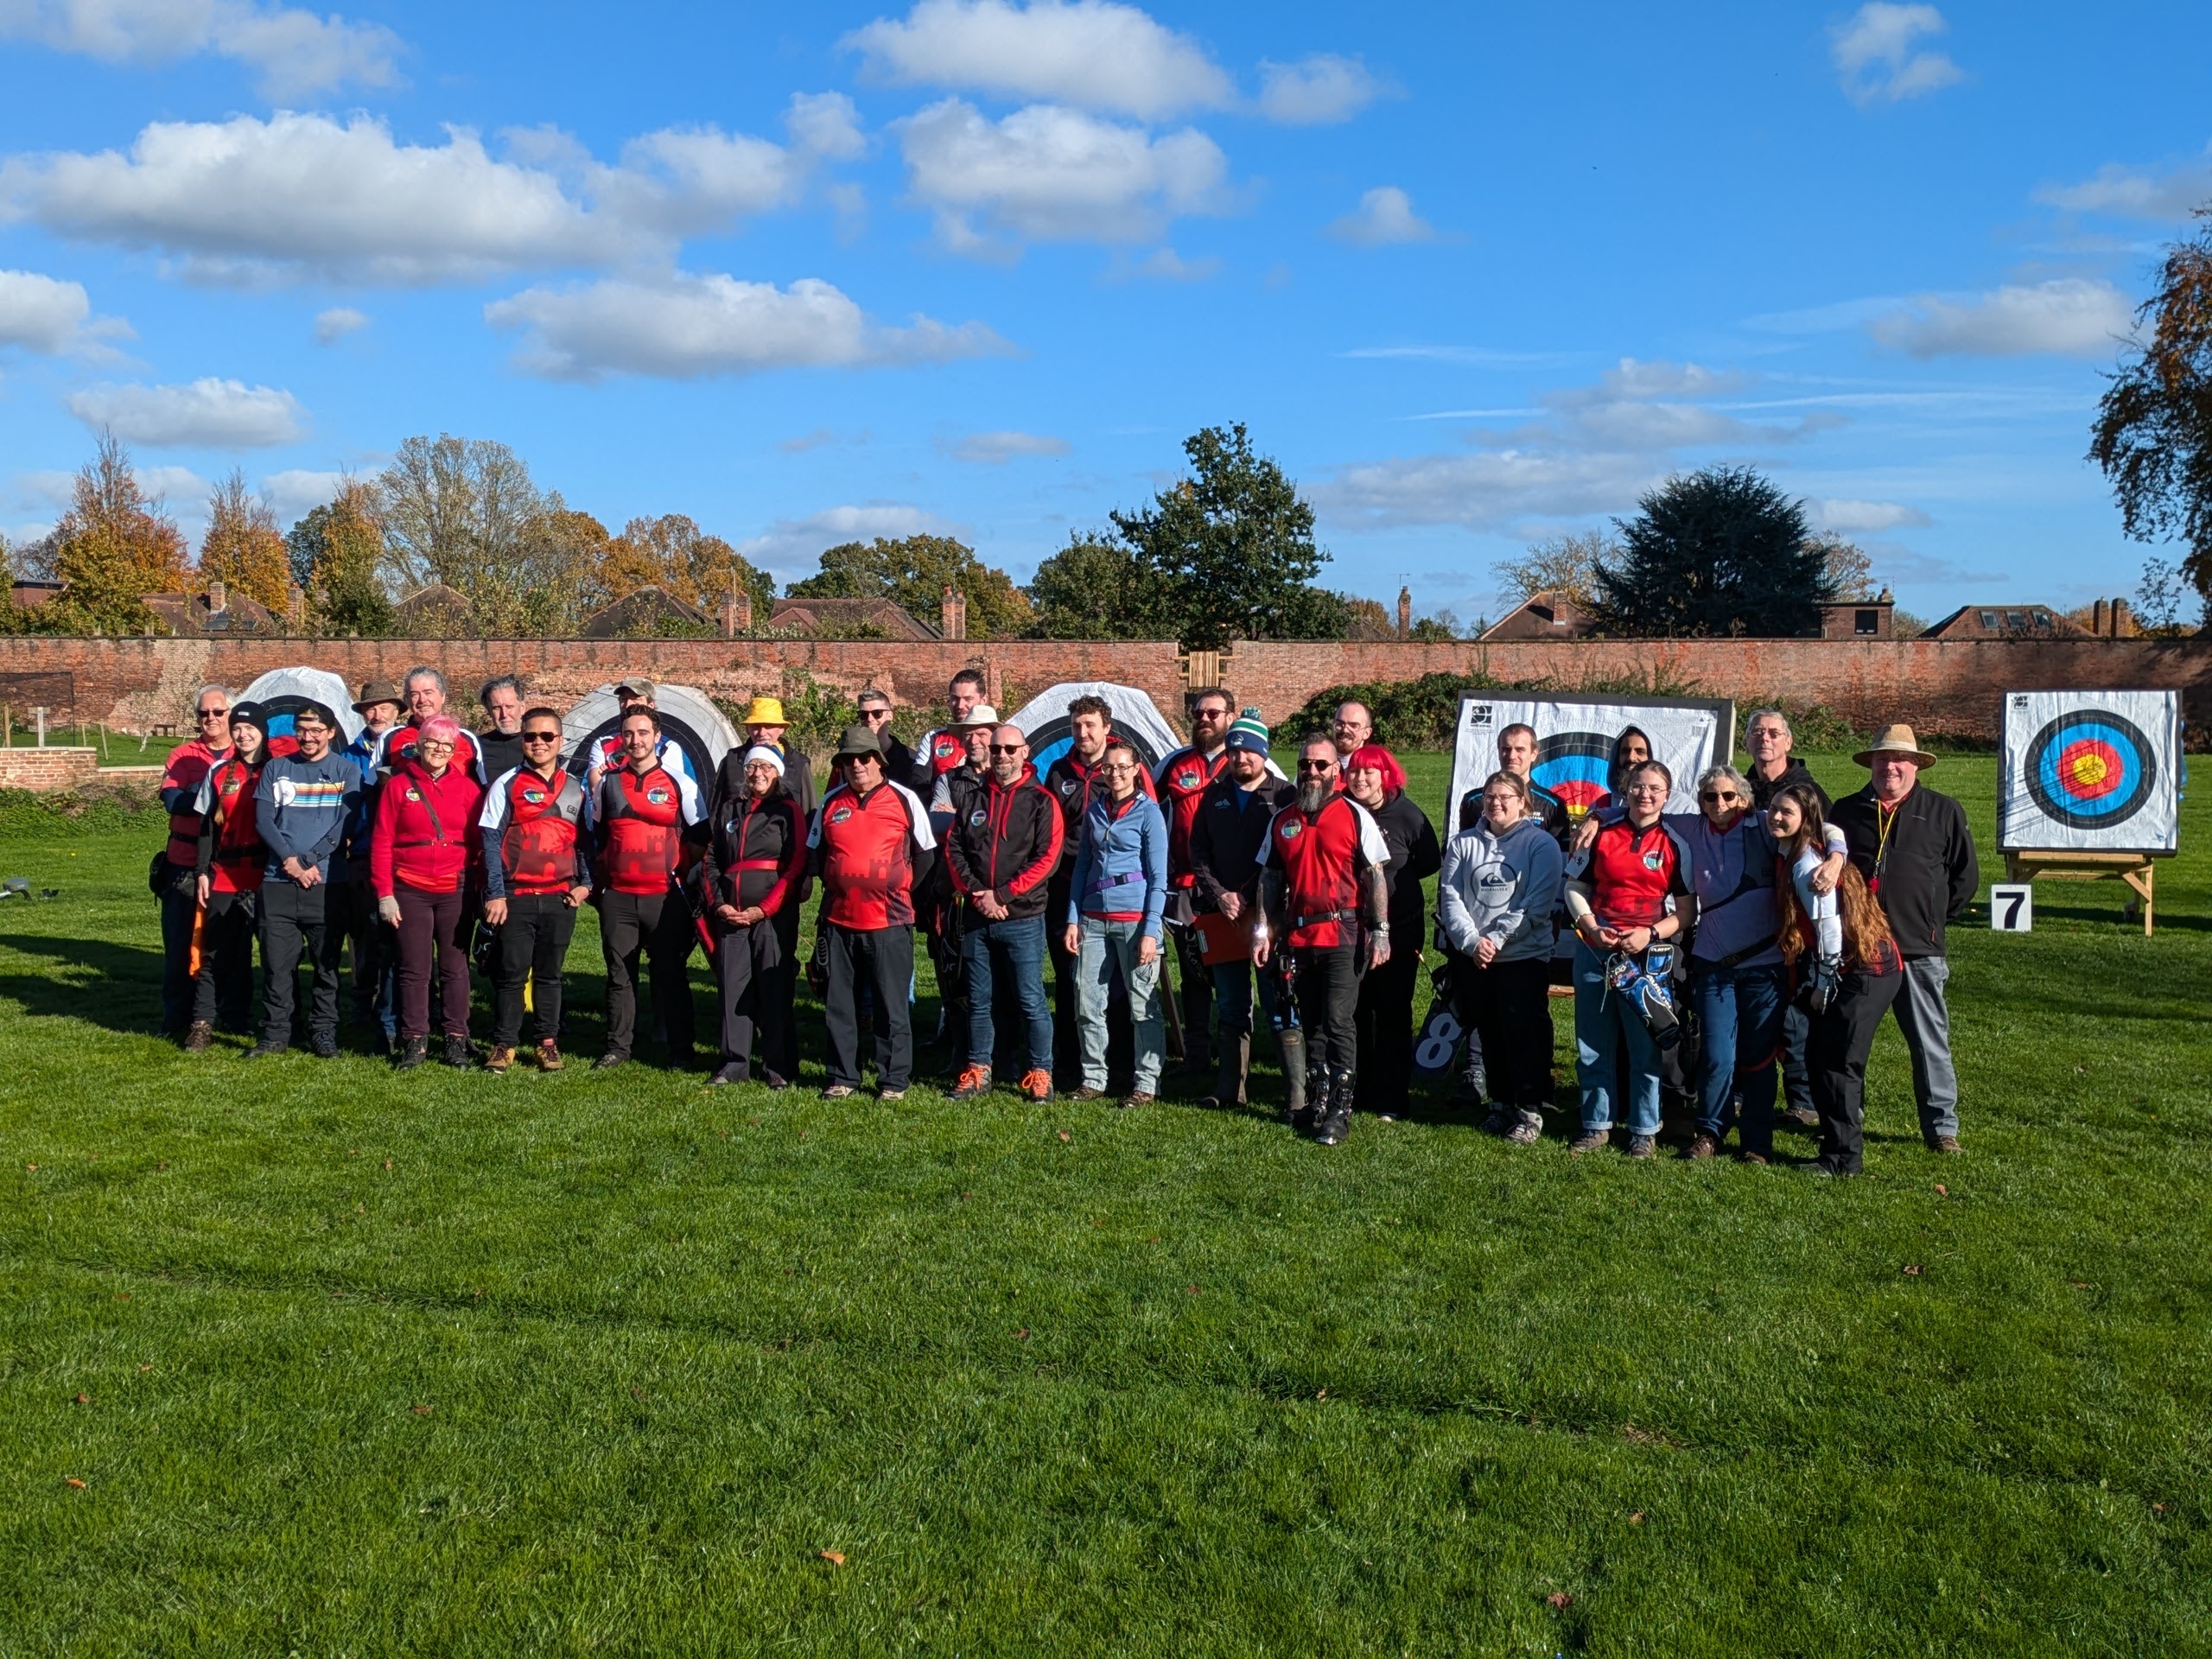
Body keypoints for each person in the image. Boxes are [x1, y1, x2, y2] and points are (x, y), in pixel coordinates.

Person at [1828, 725, 1978, 1154]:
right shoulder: (1846, 811)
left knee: (1929, 1042)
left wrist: (1931, 921)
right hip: (1860, 950)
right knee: (1849, 1042)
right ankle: (1845, 1121)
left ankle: (1941, 1128)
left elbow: (1965, 878)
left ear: (1916, 765)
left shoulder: (1943, 810)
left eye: (1899, 759)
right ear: (1871, 764)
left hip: (1917, 950)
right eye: (1882, 759)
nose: (1890, 767)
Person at [1255, 736, 1392, 1146]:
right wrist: (1263, 932)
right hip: (1299, 936)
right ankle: (1316, 1100)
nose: (1311, 772)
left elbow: (1375, 875)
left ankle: (1339, 1110)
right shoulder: (1283, 819)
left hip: (1343, 933)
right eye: (1305, 765)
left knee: (1338, 1020)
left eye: (1320, 765)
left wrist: (1381, 932)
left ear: (1336, 770)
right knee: (1311, 1021)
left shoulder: (1354, 815)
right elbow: (1269, 878)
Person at [1771, 785, 1905, 1177]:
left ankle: (1844, 1158)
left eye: (1786, 812)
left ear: (1805, 819)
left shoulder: (1806, 865)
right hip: (1851, 967)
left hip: (1866, 969)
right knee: (1821, 1056)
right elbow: (1831, 829)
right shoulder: (1802, 847)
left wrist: (1823, 985)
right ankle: (1836, 1148)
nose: (1776, 816)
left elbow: (1829, 930)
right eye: (1773, 808)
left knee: (1837, 1061)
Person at [1563, 760, 1692, 1158]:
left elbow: (1686, 912)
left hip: (1646, 957)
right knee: (1593, 1043)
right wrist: (1590, 926)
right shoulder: (1601, 832)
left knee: (1645, 1047)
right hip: (1595, 949)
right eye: (1638, 786)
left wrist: (1648, 935)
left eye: (1654, 788)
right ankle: (1595, 1125)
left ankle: (1644, 1130)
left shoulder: (1675, 842)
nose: (1645, 795)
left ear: (1667, 795)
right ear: (1626, 789)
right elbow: (1574, 886)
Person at [1437, 772, 1564, 1144]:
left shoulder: (1541, 844)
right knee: (1489, 1032)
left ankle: (1529, 1110)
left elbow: (1536, 905)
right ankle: (1500, 1104)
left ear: (1523, 802)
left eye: (1505, 796)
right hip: (1476, 957)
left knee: (1521, 1034)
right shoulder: (1463, 844)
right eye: (1491, 796)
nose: (1496, 803)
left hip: (1523, 957)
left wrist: (1495, 939)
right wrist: (1471, 942)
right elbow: (1450, 898)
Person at [810, 723, 936, 1100]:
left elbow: (926, 855)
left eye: (864, 758)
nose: (857, 766)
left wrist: (898, 887)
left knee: (891, 1005)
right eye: (849, 760)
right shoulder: (830, 802)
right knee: (839, 1004)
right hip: (839, 920)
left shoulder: (904, 798)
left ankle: (893, 1081)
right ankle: (842, 1077)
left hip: (889, 921)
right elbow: (816, 854)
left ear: (879, 761)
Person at [943, 723, 1062, 1104]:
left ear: (1025, 752)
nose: (1002, 756)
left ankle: (1040, 1072)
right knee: (979, 999)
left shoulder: (1042, 801)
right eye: (996, 749)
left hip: (1022, 916)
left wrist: (1004, 895)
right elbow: (953, 849)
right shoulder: (973, 799)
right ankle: (979, 1070)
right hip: (978, 915)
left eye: (1010, 749)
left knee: (1030, 999)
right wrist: (977, 893)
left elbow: (1047, 859)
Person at [1187, 713, 1296, 1113]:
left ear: (1263, 753)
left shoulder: (1285, 796)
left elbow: (1288, 855)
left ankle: (1295, 1095)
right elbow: (1198, 851)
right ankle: (1230, 1089)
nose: (1240, 757)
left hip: (1270, 916)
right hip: (1225, 916)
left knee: (1278, 1000)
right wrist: (1220, 895)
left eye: (1248, 750)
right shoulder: (1213, 795)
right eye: (1233, 750)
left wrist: (1249, 895)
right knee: (1232, 1004)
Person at [1045, 693, 1157, 1080]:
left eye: (1090, 725)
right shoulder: (1059, 770)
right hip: (1070, 886)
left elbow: (1148, 831)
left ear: (1107, 728)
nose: (1082, 732)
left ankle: (1123, 1064)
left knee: (1124, 985)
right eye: (1076, 725)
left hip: (1121, 895)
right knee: (1072, 980)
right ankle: (1073, 1062)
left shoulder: (1125, 770)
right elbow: (1049, 826)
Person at [478, 705, 591, 1073]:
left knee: (550, 975)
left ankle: (547, 1043)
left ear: (560, 740)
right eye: (530, 736)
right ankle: (504, 1044)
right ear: (522, 741)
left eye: (547, 736)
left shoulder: (576, 787)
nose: (538, 742)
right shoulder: (506, 783)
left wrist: (586, 884)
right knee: (511, 974)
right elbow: (490, 841)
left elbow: (585, 842)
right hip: (516, 896)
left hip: (560, 897)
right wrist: (496, 893)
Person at [592, 705, 704, 1071]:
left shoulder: (679, 782)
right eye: (628, 733)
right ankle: (617, 1048)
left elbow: (701, 838)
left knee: (670, 972)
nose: (635, 740)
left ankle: (681, 1050)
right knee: (619, 973)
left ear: (657, 737)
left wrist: (685, 878)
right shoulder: (607, 782)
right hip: (619, 896)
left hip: (665, 896)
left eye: (643, 733)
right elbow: (596, 836)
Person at [247, 701, 361, 1060]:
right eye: (301, 730)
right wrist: (291, 862)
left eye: (315, 731)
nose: (307, 738)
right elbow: (264, 821)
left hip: (328, 883)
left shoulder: (346, 771)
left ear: (331, 732)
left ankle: (323, 1031)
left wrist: (309, 860)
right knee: (277, 966)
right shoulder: (277, 768)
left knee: (326, 966)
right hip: (278, 882)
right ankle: (276, 1033)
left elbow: (344, 825)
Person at [370, 713, 483, 1070]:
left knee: (455, 968)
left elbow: (479, 843)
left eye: (446, 745)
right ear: (419, 745)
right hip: (410, 887)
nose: (438, 750)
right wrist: (385, 894)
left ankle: (455, 1037)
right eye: (432, 742)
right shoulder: (397, 786)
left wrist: (478, 889)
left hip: (454, 888)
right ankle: (415, 1039)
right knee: (414, 968)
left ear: (455, 750)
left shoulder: (468, 789)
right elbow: (382, 842)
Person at [1065, 736, 1170, 1107]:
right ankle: (1093, 1078)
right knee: (1087, 1003)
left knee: (1143, 1005)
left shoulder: (1149, 813)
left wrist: (1151, 929)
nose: (1115, 774)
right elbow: (1082, 866)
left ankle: (1147, 1083)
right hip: (1093, 920)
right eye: (1108, 767)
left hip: (1135, 920)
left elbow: (1159, 877)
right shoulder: (1095, 810)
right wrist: (1073, 918)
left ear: (1136, 770)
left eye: (1122, 767)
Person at [1743, 708, 1831, 1130]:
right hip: (1751, 920)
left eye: (1774, 733)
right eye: (1757, 732)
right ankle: (1743, 1093)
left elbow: (1832, 833)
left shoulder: (1807, 789)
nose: (1765, 739)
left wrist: (1837, 858)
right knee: (1754, 1012)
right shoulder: (1739, 790)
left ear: (1789, 742)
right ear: (1746, 741)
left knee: (1797, 1017)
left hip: (1799, 923)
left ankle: (1803, 1101)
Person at [700, 744, 806, 1089]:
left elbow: (797, 864)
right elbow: (711, 860)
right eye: (751, 767)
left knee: (774, 987)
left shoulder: (788, 810)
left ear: (777, 773)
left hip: (772, 916)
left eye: (765, 767)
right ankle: (733, 1064)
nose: (757, 773)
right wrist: (719, 904)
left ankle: (779, 1066)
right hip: (731, 913)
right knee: (732, 986)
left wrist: (766, 908)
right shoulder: (729, 809)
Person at [1344, 743, 1439, 1122]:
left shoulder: (1408, 815)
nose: (1360, 778)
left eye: (1369, 771)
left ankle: (1392, 1097)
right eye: (1354, 771)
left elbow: (1429, 862)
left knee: (1393, 1011)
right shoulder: (1342, 810)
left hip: (1400, 929)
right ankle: (1358, 1088)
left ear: (1386, 775)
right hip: (1351, 929)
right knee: (1355, 1010)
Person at [1155, 687, 1236, 1079]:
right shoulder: (1173, 763)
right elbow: (1144, 809)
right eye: (1198, 713)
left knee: (1232, 973)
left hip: (1232, 890)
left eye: (1213, 713)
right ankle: (1197, 1055)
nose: (1204, 719)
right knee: (1194, 972)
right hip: (1186, 886)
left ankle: (1235, 1058)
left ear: (1230, 718)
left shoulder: (1248, 759)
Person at [183, 702, 270, 1051]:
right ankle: (203, 1022)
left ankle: (275, 1022)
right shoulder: (220, 771)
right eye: (237, 729)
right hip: (224, 873)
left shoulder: (277, 769)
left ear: (263, 731)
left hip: (265, 873)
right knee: (217, 951)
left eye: (250, 728)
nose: (243, 734)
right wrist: (202, 871)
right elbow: (207, 828)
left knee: (274, 953)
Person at [158, 683, 238, 1039]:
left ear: (230, 714)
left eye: (218, 712)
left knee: (230, 946)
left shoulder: (243, 751)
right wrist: (213, 792)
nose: (211, 718)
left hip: (229, 864)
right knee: (180, 945)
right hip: (185, 862)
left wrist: (197, 792)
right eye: (204, 713)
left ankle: (232, 1016)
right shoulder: (182, 755)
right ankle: (175, 1019)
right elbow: (173, 801)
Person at [924, 702, 1000, 1071]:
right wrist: (980, 822)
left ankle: (1000, 1053)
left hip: (998, 891)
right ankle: (958, 1052)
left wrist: (962, 817)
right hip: (953, 889)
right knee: (952, 971)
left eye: (982, 733)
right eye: (968, 734)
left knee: (1001, 974)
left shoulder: (1006, 779)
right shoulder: (950, 778)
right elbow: (937, 825)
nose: (974, 740)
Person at [340, 681, 404, 1051]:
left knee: (402, 934)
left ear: (397, 712)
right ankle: (363, 1002)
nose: (377, 715)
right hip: (363, 851)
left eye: (384, 708)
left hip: (403, 855)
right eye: (370, 709)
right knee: (364, 932)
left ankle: (409, 1004)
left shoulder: (408, 748)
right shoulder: (350, 755)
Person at [582, 677, 698, 799]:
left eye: (635, 698)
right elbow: (596, 790)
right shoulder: (603, 744)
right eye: (623, 699)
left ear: (651, 705)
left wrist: (611, 780)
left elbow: (662, 794)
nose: (628, 704)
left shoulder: (667, 748)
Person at [712, 695, 816, 823]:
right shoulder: (731, 761)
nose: (762, 733)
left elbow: (810, 815)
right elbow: (715, 810)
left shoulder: (799, 764)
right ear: (747, 729)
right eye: (756, 726)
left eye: (769, 726)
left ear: (782, 729)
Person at [386, 667, 481, 779]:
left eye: (428, 693)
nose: (422, 700)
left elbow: (480, 785)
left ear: (443, 696)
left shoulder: (466, 738)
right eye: (414, 694)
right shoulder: (391, 737)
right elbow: (374, 785)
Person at [911, 668, 988, 792]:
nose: (960, 705)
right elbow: (918, 784)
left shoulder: (998, 738)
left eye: (968, 699)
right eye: (955, 698)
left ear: (983, 700)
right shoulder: (933, 738)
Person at [475, 675, 528, 787]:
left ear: (522, 708)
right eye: (496, 708)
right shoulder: (476, 747)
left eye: (509, 707)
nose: (504, 714)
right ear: (489, 711)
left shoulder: (535, 744)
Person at [856, 687, 913, 785]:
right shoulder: (849, 760)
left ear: (890, 716)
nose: (870, 719)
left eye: (877, 713)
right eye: (863, 714)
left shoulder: (909, 759)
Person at [1331, 699, 1376, 763]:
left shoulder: (1372, 767)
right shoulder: (1318, 764)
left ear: (1367, 733)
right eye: (1339, 724)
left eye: (1353, 726)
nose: (1345, 730)